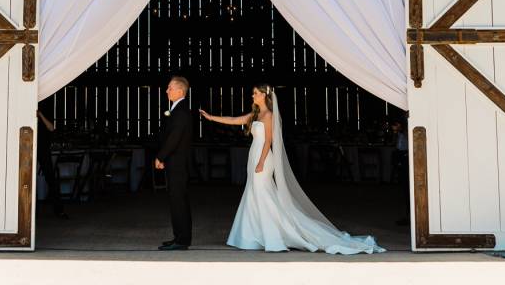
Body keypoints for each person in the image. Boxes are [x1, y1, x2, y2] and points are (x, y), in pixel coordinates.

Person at [201, 85, 384, 254]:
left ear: (265, 95)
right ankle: (254, 235)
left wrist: (262, 161)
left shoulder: (269, 116)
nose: (253, 95)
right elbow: (234, 120)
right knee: (254, 193)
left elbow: (268, 141)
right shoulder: (256, 114)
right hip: (254, 155)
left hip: (262, 157)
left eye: (256, 92)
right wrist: (211, 117)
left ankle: (274, 234)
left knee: (262, 194)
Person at [150, 75, 194, 250]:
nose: (167, 90)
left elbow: (174, 138)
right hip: (175, 163)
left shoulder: (181, 112)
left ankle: (182, 240)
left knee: (178, 201)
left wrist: (160, 157)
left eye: (170, 87)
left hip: (178, 164)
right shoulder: (177, 110)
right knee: (177, 200)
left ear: (180, 91)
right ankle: (179, 237)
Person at [35, 108, 67, 218]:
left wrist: (40, 115)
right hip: (30, 151)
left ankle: (59, 210)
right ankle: (33, 212)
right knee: (29, 181)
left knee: (51, 179)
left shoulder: (43, 118)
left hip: (43, 150)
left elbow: (51, 128)